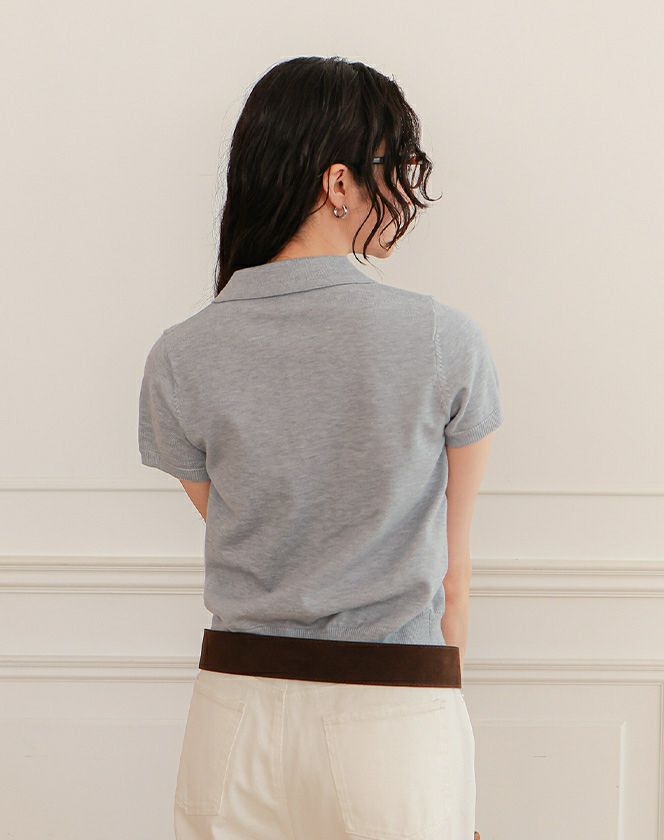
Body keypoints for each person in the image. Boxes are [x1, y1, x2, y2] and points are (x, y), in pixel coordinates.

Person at [138, 55, 503, 840]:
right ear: (340, 183)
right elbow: (452, 575)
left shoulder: (180, 355)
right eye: (395, 165)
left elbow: (245, 526)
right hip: (393, 715)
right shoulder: (442, 339)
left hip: (233, 715)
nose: (404, 192)